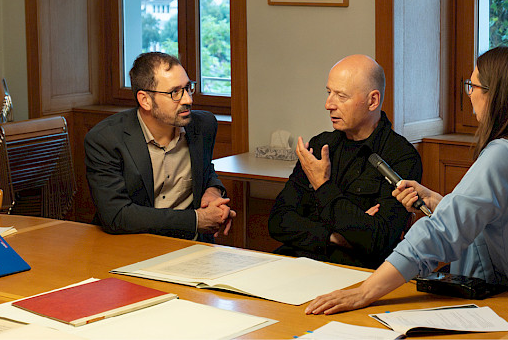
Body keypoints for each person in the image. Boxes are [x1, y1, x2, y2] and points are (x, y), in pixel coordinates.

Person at [306, 45, 508, 314]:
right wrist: (440, 203)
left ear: (495, 96)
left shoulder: (504, 155)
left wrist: (364, 292)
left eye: (472, 86)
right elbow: (498, 217)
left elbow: (438, 234)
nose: (469, 93)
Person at [268, 54, 423, 269]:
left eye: (341, 96)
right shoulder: (321, 145)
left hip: (355, 271)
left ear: (372, 101)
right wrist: (335, 236)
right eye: (329, 93)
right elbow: (278, 221)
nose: (328, 104)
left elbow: (376, 241)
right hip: (300, 261)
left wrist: (322, 186)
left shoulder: (401, 156)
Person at [85, 52, 234, 240]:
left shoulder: (203, 125)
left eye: (188, 88)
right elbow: (116, 215)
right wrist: (196, 220)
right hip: (131, 244)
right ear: (145, 100)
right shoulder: (105, 139)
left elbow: (206, 171)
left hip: (193, 246)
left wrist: (213, 192)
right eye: (175, 93)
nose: (188, 100)